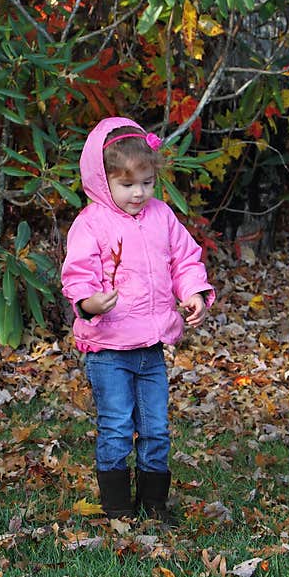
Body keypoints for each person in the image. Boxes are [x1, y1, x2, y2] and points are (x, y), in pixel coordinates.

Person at [61, 116, 215, 526]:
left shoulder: (161, 216)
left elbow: (184, 258)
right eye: (128, 185)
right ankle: (116, 507)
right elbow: (77, 275)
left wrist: (193, 292)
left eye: (147, 183)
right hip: (108, 349)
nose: (139, 193)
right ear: (102, 179)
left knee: (156, 428)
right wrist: (91, 303)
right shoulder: (92, 222)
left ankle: (154, 504)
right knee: (115, 426)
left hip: (150, 347)